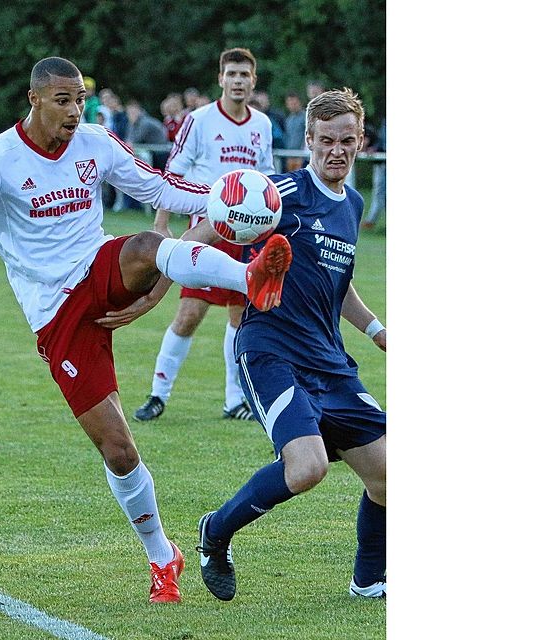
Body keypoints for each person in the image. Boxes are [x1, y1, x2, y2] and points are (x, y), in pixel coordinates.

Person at [0, 56, 293, 605]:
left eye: (79, 99)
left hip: (100, 269)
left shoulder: (97, 143)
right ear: (34, 99)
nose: (74, 110)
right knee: (118, 449)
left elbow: (157, 188)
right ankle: (163, 555)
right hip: (54, 312)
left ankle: (249, 276)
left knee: (142, 246)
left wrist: (218, 201)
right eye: (62, 100)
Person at [188, 88, 387, 601]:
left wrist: (377, 331)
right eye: (325, 141)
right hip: (271, 351)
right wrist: (166, 262)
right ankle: (217, 531)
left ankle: (369, 581)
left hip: (330, 360)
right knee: (307, 467)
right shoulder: (281, 193)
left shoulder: (354, 205)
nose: (336, 150)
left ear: (361, 141)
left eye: (346, 140)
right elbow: (212, 222)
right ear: (308, 141)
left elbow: (337, 285)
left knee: (390, 476)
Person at [132, 47, 275, 423]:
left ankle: (234, 400)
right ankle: (157, 394)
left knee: (239, 316)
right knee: (188, 314)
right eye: (232, 74)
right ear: (221, 78)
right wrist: (162, 222)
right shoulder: (199, 120)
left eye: (245, 75)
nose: (238, 81)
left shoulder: (263, 124)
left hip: (249, 234)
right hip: (208, 228)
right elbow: (173, 171)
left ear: (253, 81)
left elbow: (268, 180)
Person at [362, 118, 386, 229]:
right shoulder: (384, 123)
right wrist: (376, 148)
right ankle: (371, 220)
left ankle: (371, 220)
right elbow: (381, 141)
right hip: (381, 162)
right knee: (379, 191)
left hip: (382, 160)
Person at [282, 90, 306, 172]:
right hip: (289, 155)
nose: (292, 105)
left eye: (294, 103)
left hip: (301, 155)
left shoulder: (305, 117)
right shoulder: (288, 119)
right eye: (290, 103)